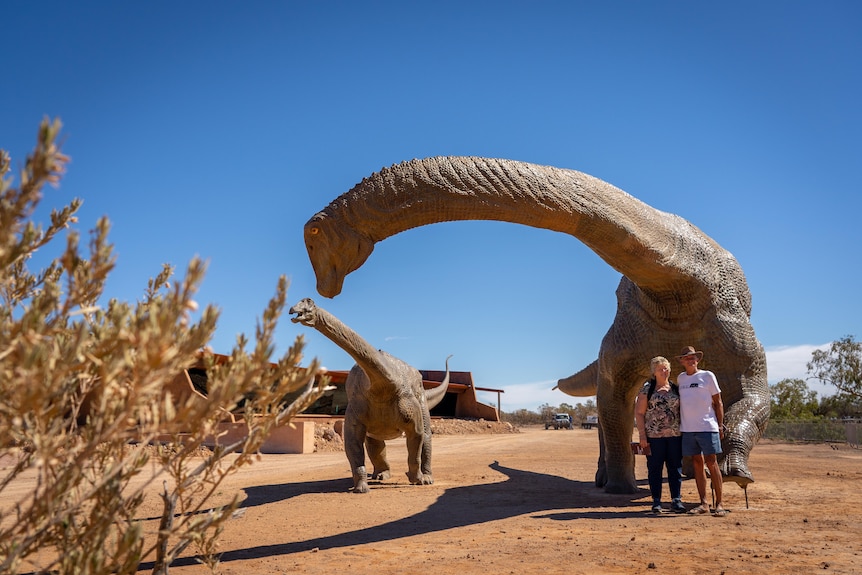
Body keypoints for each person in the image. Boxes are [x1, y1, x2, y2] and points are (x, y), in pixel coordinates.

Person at [676, 345, 727, 517]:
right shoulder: (681, 379)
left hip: (707, 426)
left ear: (697, 360)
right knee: (697, 463)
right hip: (689, 429)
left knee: (712, 463)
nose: (690, 360)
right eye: (687, 357)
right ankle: (704, 503)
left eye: (693, 357)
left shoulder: (707, 376)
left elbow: (718, 402)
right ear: (682, 361)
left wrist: (720, 425)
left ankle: (719, 503)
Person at [635, 356, 685, 513]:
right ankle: (656, 501)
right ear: (654, 372)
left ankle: (676, 499)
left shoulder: (676, 389)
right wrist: (642, 436)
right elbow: (639, 413)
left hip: (675, 436)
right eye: (660, 369)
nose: (664, 371)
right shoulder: (647, 390)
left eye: (666, 368)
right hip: (654, 437)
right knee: (654, 469)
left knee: (675, 468)